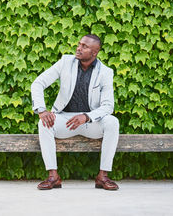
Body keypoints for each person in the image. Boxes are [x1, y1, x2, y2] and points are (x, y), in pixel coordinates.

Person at [31, 34, 120, 190]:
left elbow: (108, 106)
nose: (79, 48)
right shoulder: (66, 62)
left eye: (84, 46)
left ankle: (102, 177)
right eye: (79, 44)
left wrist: (86, 117)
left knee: (112, 122)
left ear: (95, 52)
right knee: (43, 123)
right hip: (65, 120)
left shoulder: (106, 72)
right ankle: (53, 177)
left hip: (90, 122)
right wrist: (41, 110)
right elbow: (38, 83)